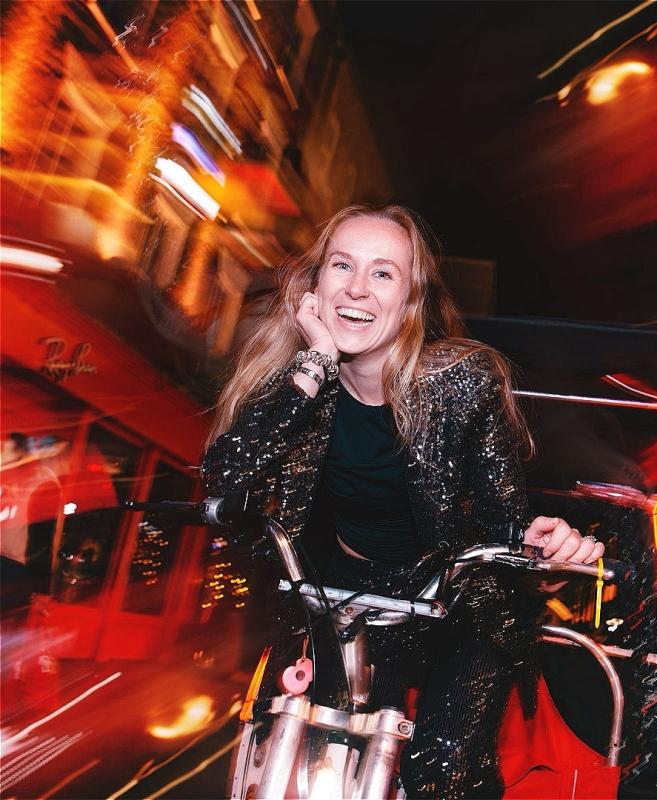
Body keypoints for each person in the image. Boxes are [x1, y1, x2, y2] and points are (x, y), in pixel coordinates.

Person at [202, 205, 604, 799]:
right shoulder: (295, 384)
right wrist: (314, 359)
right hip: (349, 596)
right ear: (315, 285)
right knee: (306, 753)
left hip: (461, 606)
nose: (357, 288)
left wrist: (545, 548)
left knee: (437, 771)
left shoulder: (463, 383)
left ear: (411, 300)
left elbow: (504, 524)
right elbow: (225, 479)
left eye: (383, 273)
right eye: (342, 266)